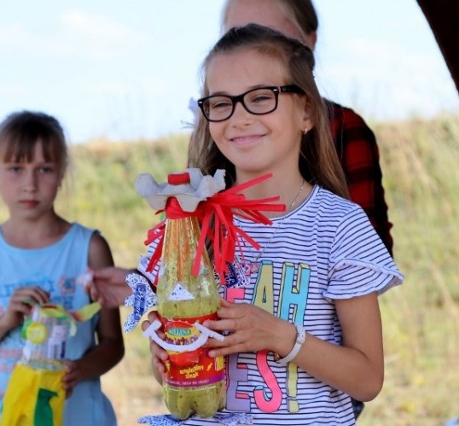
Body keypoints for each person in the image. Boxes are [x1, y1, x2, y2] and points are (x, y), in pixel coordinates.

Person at [90, 24, 403, 424]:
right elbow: (172, 372)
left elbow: (367, 379)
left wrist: (279, 336)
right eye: (220, 103)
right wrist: (168, 357)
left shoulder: (340, 226)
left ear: (307, 111)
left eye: (260, 98)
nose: (238, 118)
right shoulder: (189, 225)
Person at [0, 110, 124, 426]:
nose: (29, 184)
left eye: (44, 169)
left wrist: (79, 370)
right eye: (15, 168)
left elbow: (113, 345)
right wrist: (5, 321)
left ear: (62, 173)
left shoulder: (89, 247)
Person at [217, 0, 394, 255]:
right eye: (235, 36)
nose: (249, 52)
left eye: (270, 36)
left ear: (310, 42)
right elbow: (168, 271)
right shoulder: (219, 131)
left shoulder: (345, 129)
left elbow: (368, 258)